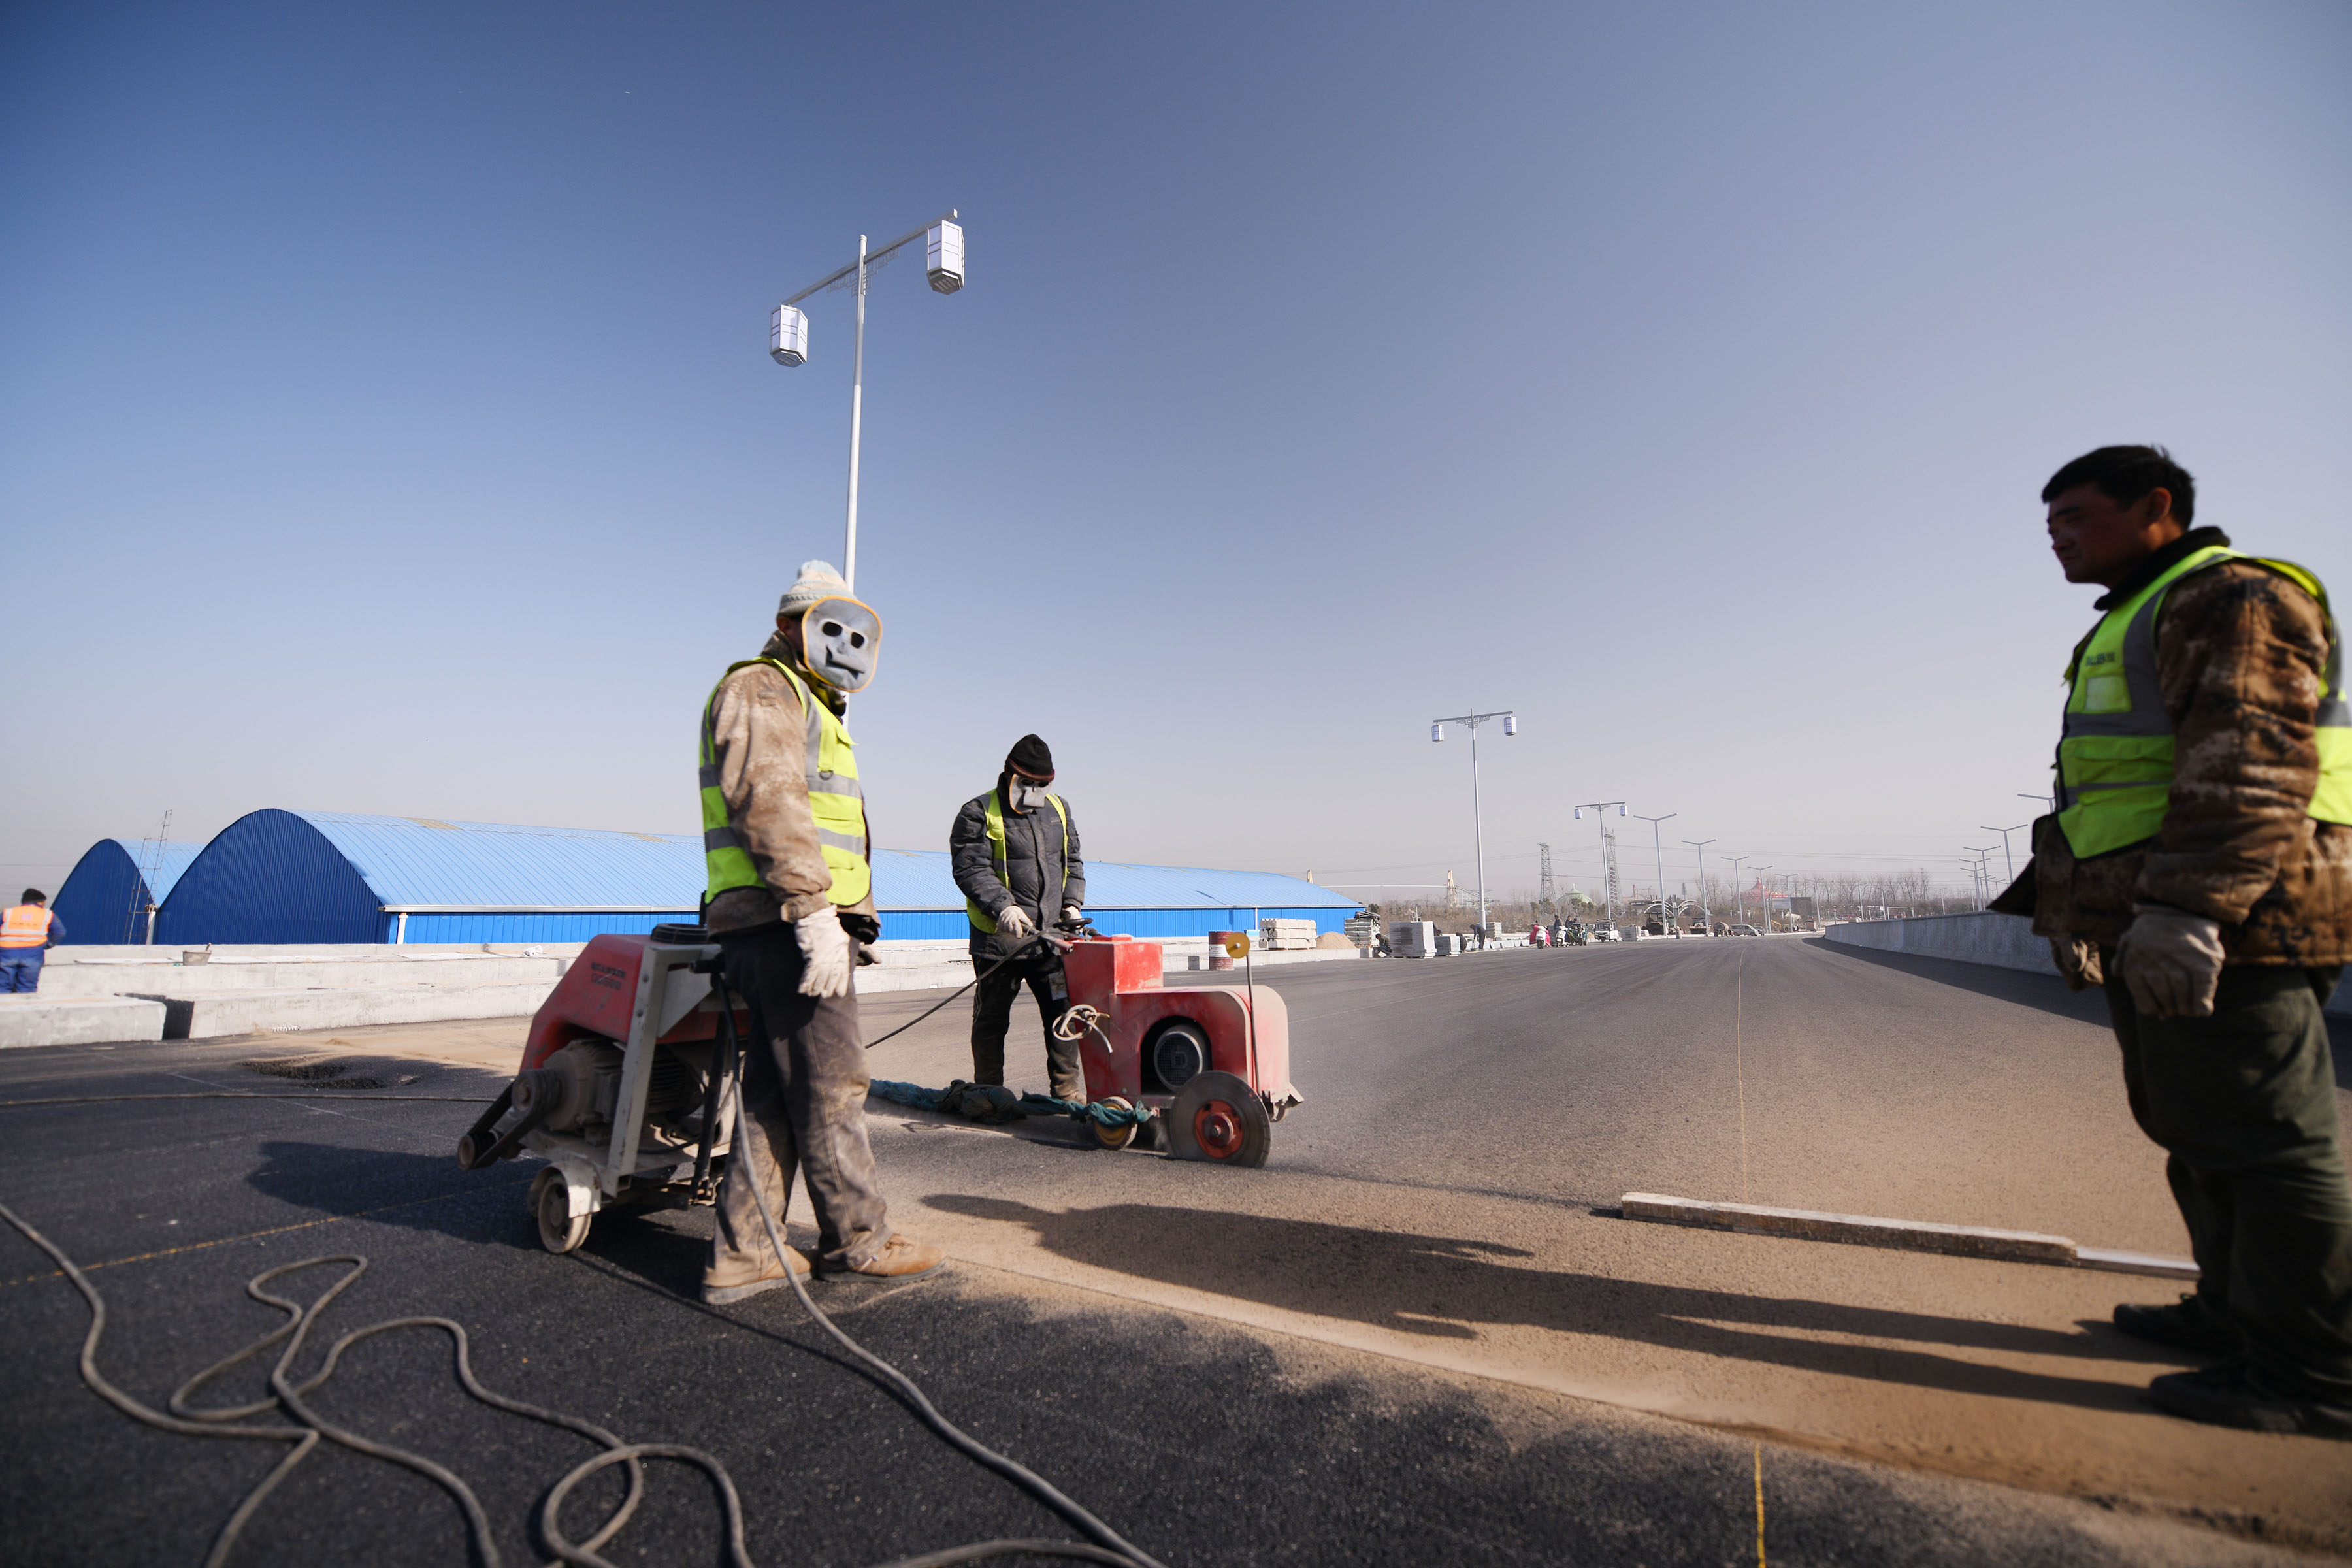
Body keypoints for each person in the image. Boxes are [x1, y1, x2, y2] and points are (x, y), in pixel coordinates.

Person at [2014, 445, 2351, 1437]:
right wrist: (2083, 912)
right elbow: (2121, 791)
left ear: (2156, 505)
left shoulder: (2231, 598)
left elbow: (2249, 763)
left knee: (2267, 1141)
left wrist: (2190, 911)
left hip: (2240, 922)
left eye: (2076, 516)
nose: (2058, 538)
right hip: (2162, 913)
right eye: (2049, 525)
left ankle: (2314, 1372)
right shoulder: (2146, 610)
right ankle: (2236, 1312)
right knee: (2197, 1125)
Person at [697, 559, 942, 1303]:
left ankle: (747, 1252)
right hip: (784, 924)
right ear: (788, 625)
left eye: (855, 635)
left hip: (782, 924)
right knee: (834, 1085)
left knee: (775, 1095)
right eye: (827, 627)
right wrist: (812, 913)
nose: (844, 648)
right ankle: (858, 1240)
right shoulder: (764, 687)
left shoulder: (807, 703)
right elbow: (769, 801)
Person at [950, 735, 1087, 1102]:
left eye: (1043, 785)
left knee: (1063, 1016)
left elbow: (1072, 862)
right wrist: (1003, 907)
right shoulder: (978, 812)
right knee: (991, 1021)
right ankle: (989, 1093)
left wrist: (1072, 904)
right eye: (1028, 783)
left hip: (1050, 942)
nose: (1035, 791)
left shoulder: (1059, 810)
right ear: (1010, 775)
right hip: (999, 944)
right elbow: (971, 869)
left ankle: (1066, 1093)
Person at [1, 890, 64, 992]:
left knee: (3, 986)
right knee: (27, 987)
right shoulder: (47, 914)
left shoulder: (8, 913)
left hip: (7, 953)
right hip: (33, 953)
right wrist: (48, 944)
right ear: (40, 902)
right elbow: (60, 932)